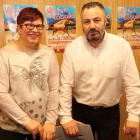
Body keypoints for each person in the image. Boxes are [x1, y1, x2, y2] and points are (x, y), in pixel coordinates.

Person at [58, 2, 140, 140]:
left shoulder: (121, 46)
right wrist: (65, 117)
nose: (92, 26)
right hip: (80, 112)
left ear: (105, 20)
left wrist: (134, 116)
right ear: (82, 24)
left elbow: (132, 84)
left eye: (97, 20)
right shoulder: (72, 48)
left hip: (110, 114)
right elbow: (65, 85)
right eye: (87, 21)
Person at [0, 7, 59, 140]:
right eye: (29, 25)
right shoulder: (4, 54)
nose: (35, 30)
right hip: (11, 130)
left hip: (43, 129)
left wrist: (50, 121)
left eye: (39, 26)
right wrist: (27, 122)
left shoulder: (49, 53)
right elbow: (1, 94)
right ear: (19, 28)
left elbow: (54, 89)